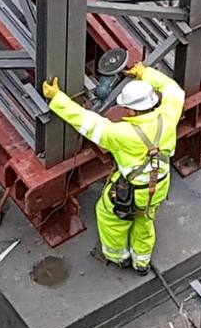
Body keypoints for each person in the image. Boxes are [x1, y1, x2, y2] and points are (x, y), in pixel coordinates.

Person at [42, 62, 184, 274]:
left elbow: (86, 122)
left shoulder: (122, 134)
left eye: (127, 108)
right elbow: (174, 90)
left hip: (134, 191)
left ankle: (118, 257)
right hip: (160, 185)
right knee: (145, 219)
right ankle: (141, 262)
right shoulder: (168, 115)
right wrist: (146, 73)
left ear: (134, 111)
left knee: (111, 217)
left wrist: (57, 99)